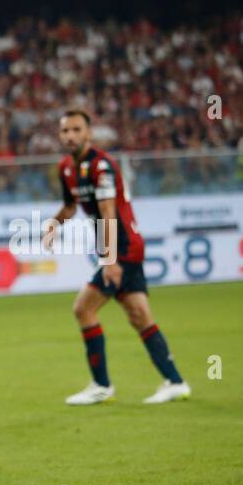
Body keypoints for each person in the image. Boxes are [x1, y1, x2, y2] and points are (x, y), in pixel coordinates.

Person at [45, 110, 190, 405]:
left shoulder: (102, 166)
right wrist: (54, 224)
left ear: (89, 133)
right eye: (65, 131)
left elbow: (109, 211)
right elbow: (71, 205)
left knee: (83, 308)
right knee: (139, 315)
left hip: (123, 248)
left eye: (76, 129)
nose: (70, 136)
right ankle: (175, 381)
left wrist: (110, 260)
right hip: (120, 249)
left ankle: (101, 385)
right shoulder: (66, 169)